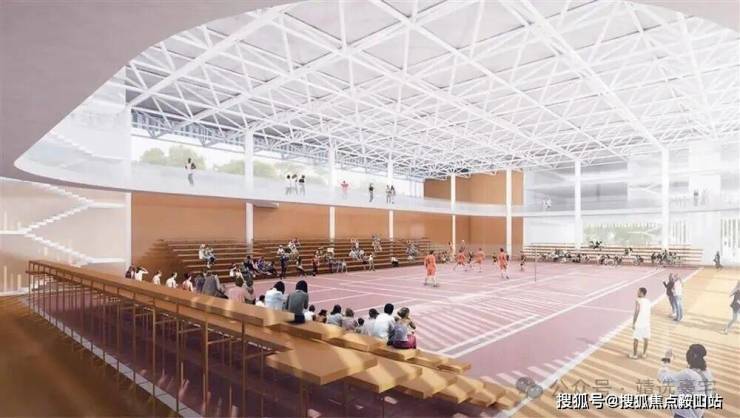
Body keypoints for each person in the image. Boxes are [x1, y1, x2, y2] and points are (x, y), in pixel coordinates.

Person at [657, 344, 715, 418]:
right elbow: (708, 394)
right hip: (699, 414)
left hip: (684, 415)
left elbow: (663, 377)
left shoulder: (687, 374)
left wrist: (666, 359)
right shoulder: (707, 372)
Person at [630, 287, 651, 359]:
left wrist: (634, 322)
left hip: (639, 322)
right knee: (646, 338)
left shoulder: (638, 300)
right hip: (646, 322)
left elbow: (636, 311)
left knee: (636, 338)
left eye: (638, 292)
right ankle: (644, 354)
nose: (637, 293)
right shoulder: (648, 301)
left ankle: (635, 355)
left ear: (642, 293)